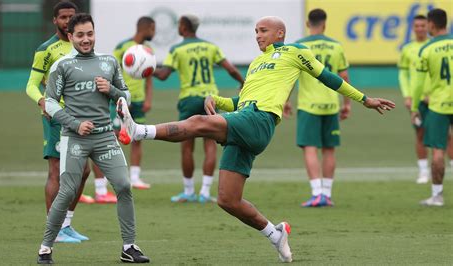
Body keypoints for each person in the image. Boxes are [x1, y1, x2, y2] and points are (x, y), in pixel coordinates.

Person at [117, 16, 395, 262]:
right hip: (247, 119)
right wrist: (218, 99)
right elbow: (241, 100)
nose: (258, 35)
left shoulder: (296, 51)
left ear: (280, 34)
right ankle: (276, 235)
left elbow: (328, 77)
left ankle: (138, 130)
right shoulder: (256, 64)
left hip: (260, 121)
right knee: (227, 199)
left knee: (199, 123)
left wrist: (365, 99)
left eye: (263, 30)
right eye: (255, 31)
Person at [36, 13, 149, 264]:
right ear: (70, 36)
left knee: (123, 185)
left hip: (105, 137)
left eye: (90, 34)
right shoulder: (62, 65)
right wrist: (75, 124)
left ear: (94, 34)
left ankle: (129, 247)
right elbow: (50, 103)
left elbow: (126, 98)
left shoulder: (109, 62)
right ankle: (45, 248)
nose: (86, 39)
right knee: (66, 192)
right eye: (80, 35)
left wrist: (112, 91)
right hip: (74, 138)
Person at [153, 14, 244, 203]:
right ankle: (204, 192)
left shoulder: (178, 49)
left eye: (179, 24)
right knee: (210, 145)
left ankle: (188, 191)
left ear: (184, 28)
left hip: (189, 99)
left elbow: (163, 75)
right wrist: (243, 82)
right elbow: (231, 69)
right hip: (210, 99)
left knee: (187, 146)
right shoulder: (210, 47)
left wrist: (146, 70)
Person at [25, 1, 89, 243]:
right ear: (55, 20)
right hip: (56, 117)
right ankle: (54, 230)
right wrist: (42, 102)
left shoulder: (82, 45)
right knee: (56, 171)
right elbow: (31, 84)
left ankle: (67, 223)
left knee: (83, 171)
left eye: (71, 16)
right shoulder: (46, 49)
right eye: (63, 17)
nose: (67, 21)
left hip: (81, 115)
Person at [283, 8, 351, 207]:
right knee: (329, 149)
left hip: (308, 106)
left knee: (310, 148)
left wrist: (286, 101)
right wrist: (347, 104)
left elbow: (291, 78)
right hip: (331, 105)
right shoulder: (336, 46)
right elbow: (344, 77)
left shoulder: (299, 46)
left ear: (307, 24)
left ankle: (316, 193)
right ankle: (327, 194)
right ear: (325, 24)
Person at [411, 8, 452, 207]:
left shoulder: (426, 50)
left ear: (432, 25)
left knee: (437, 151)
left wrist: (414, 108)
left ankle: (437, 196)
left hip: (439, 105)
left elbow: (418, 84)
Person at [112, 16, 156, 190]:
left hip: (138, 101)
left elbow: (150, 78)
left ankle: (135, 177)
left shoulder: (148, 50)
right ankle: (114, 175)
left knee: (138, 137)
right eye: (154, 29)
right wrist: (119, 98)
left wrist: (148, 99)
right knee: (114, 137)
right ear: (148, 28)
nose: (154, 33)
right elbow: (112, 72)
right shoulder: (122, 47)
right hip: (122, 100)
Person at [398, 15, 432, 184]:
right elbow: (403, 73)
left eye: (423, 25)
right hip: (416, 100)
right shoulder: (408, 48)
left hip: (436, 98)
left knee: (448, 134)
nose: (420, 28)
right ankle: (424, 171)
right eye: (417, 26)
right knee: (420, 133)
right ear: (413, 28)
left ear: (428, 26)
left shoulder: (433, 46)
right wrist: (407, 96)